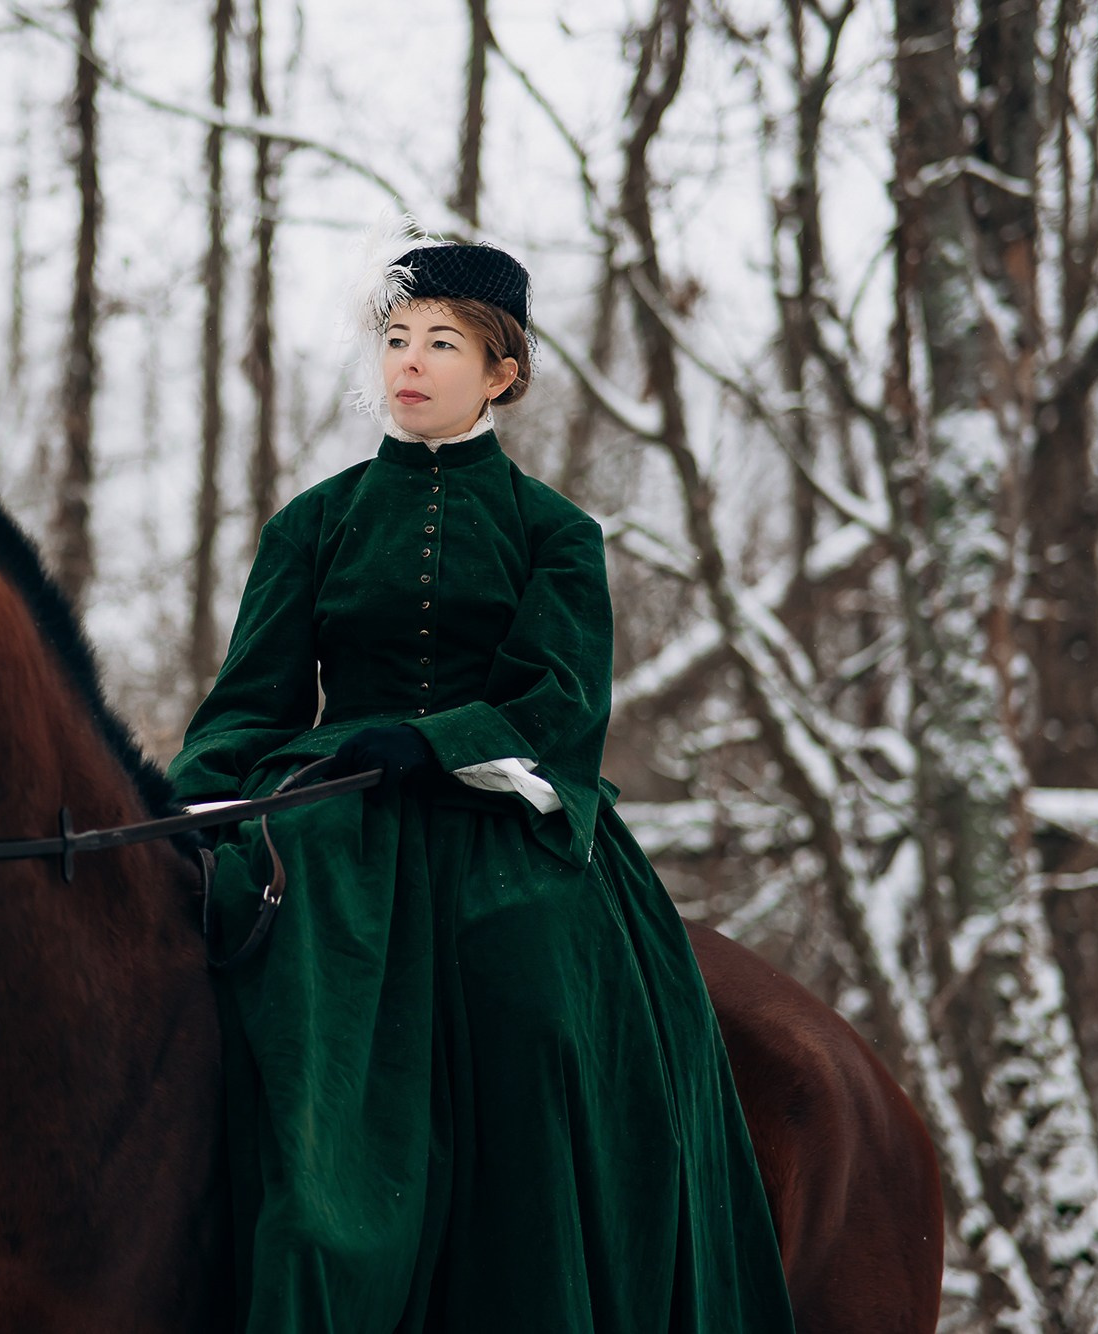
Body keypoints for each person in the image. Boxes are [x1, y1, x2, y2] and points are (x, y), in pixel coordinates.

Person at [169, 233, 796, 1332]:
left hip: (502, 827)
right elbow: (246, 705)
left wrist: (439, 739)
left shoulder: (554, 533)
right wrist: (181, 813)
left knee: (546, 1002)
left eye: (440, 341)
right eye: (396, 338)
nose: (407, 362)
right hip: (331, 825)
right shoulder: (309, 525)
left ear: (501, 369)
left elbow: (559, 702)